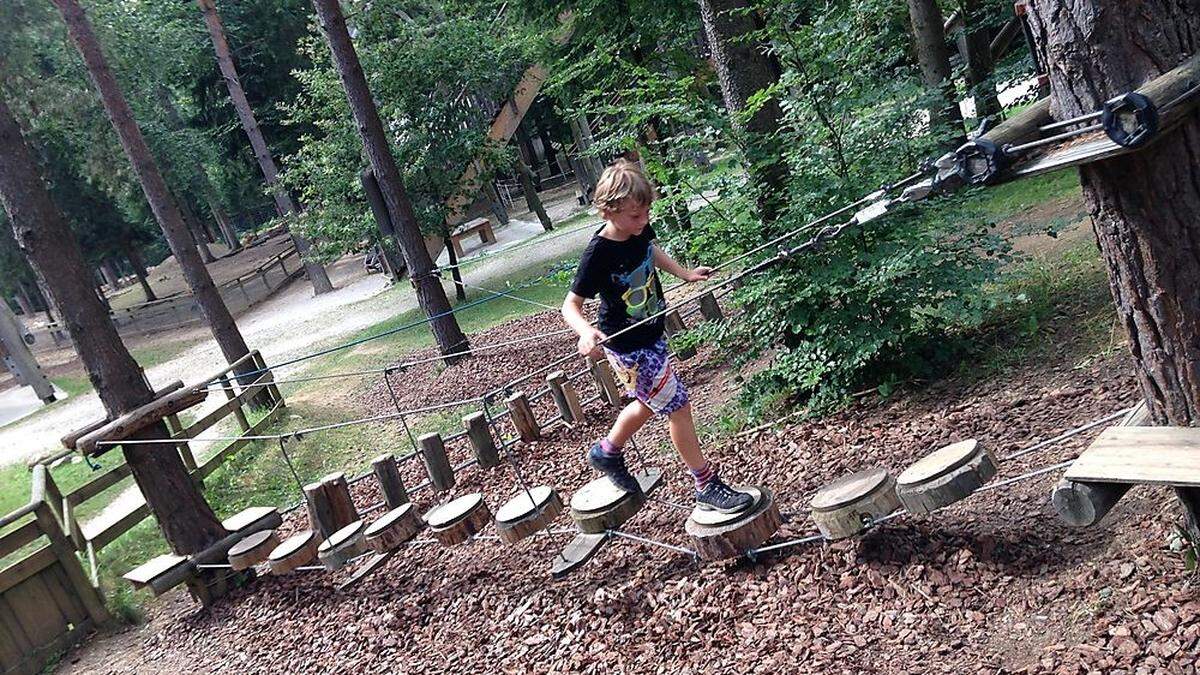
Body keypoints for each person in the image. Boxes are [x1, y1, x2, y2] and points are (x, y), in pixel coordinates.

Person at [561, 160, 753, 513]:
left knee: (650, 403)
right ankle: (705, 483)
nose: (644, 221)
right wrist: (586, 332)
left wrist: (685, 274)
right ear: (608, 211)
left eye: (646, 213)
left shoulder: (639, 231)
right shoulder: (598, 252)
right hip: (627, 346)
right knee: (677, 405)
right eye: (636, 216)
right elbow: (570, 306)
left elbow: (651, 251)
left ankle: (606, 452)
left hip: (652, 335)